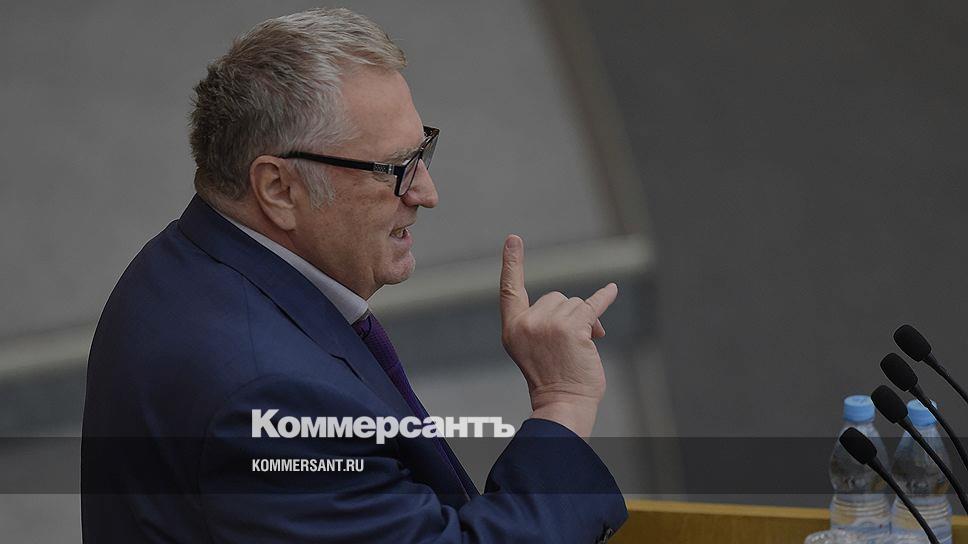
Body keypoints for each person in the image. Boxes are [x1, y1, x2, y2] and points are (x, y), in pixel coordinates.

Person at [81, 8, 626, 543]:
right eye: (395, 168)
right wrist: (562, 402)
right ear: (278, 189)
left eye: (423, 151)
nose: (426, 193)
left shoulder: (175, 266)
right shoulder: (270, 400)